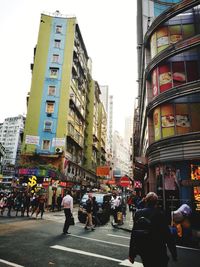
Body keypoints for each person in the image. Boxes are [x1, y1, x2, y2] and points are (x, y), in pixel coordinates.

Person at [129, 192, 177, 267]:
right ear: (156, 202)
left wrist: (131, 254)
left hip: (144, 250)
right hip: (158, 249)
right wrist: (174, 253)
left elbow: (134, 234)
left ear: (146, 201)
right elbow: (168, 235)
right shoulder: (160, 214)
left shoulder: (138, 213)